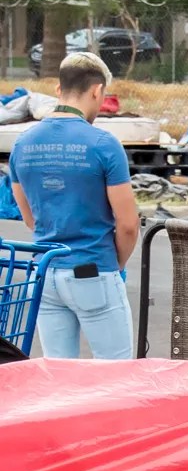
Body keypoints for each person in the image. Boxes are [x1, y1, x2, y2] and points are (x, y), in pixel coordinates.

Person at [10, 52, 139, 360]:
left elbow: (30, 218)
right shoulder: (104, 144)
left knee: (59, 376)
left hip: (45, 273)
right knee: (116, 375)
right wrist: (115, 265)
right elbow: (128, 225)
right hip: (93, 270)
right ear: (97, 90)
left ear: (59, 89)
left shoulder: (22, 144)